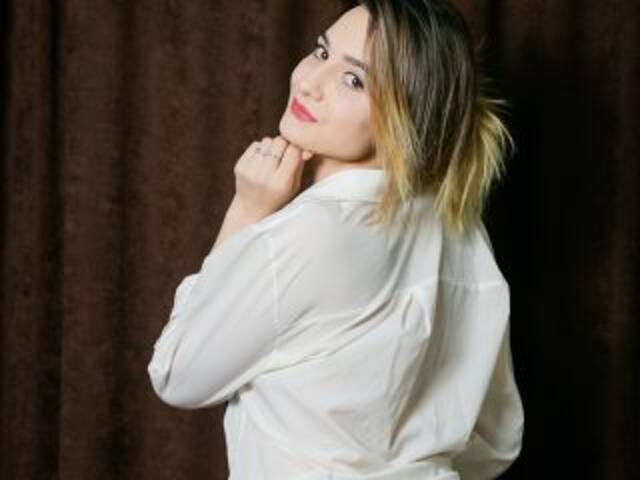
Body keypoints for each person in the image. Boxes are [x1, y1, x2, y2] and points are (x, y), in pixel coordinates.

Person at [147, 1, 525, 479]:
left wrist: (248, 210)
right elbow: (498, 442)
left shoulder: (309, 236)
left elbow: (176, 373)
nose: (310, 81)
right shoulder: (461, 229)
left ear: (408, 114)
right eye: (321, 51)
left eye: (353, 80)